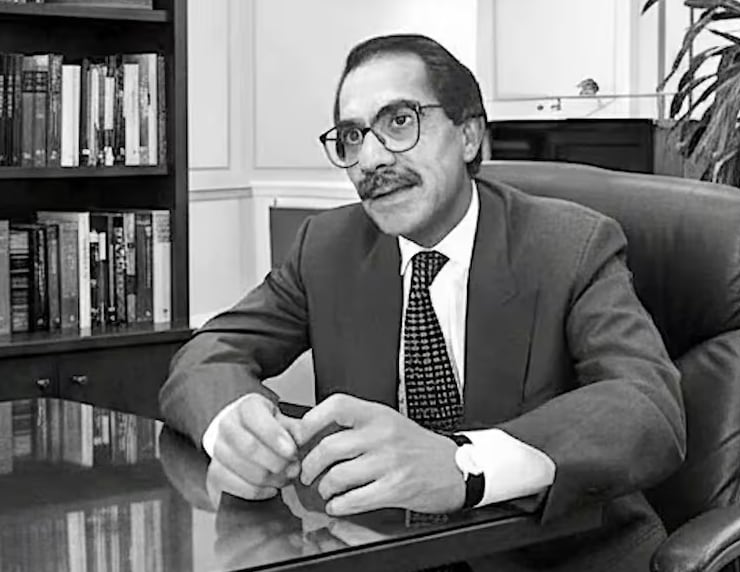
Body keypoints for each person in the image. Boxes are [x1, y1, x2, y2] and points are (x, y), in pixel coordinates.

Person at [160, 33, 686, 571]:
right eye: (352, 136)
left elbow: (646, 405)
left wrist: (465, 465)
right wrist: (235, 427)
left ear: (468, 136)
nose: (370, 159)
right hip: (386, 555)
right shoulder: (326, 247)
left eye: (399, 122)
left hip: (559, 557)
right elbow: (207, 355)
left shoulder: (570, 245)